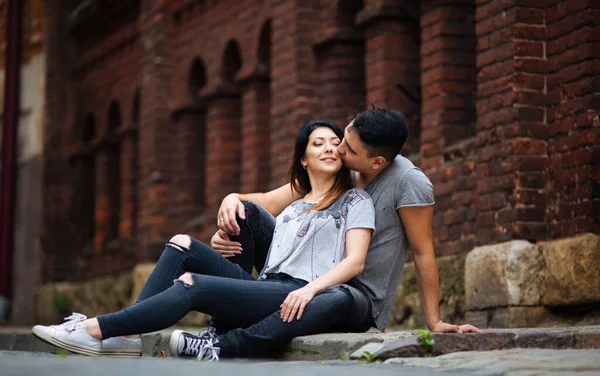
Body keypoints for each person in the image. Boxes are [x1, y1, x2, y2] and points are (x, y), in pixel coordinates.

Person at [32, 120, 376, 360]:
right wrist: (231, 200)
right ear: (304, 158)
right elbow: (251, 204)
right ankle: (127, 335)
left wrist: (310, 289)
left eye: (335, 144)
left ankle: (96, 329)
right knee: (184, 241)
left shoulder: (354, 199)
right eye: (318, 144)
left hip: (301, 293)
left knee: (191, 283)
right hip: (268, 286)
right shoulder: (295, 202)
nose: (330, 148)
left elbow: (355, 260)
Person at [179, 107, 481, 359]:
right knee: (249, 214)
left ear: (376, 162)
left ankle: (223, 346)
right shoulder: (339, 166)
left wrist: (435, 321)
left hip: (352, 294)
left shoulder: (409, 182)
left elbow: (423, 250)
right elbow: (268, 202)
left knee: (331, 297)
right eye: (343, 138)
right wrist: (232, 202)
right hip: (309, 276)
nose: (336, 149)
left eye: (346, 148)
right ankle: (224, 322)